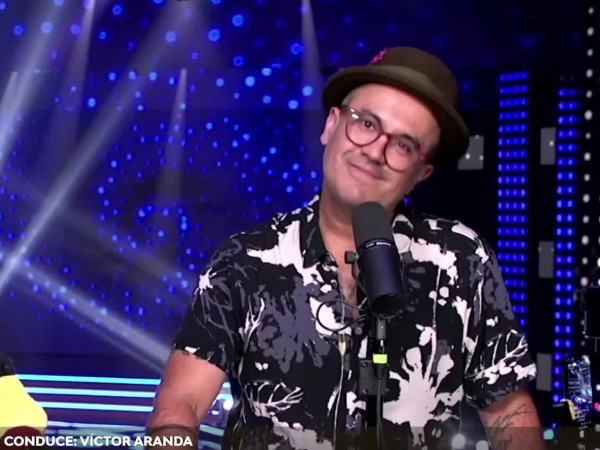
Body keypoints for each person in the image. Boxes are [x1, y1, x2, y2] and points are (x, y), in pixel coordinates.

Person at [147, 47, 544, 449]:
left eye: (403, 145)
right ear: (331, 124)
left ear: (421, 174)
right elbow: (180, 405)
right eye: (367, 124)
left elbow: (509, 413)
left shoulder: (461, 259)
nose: (374, 152)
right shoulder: (244, 260)